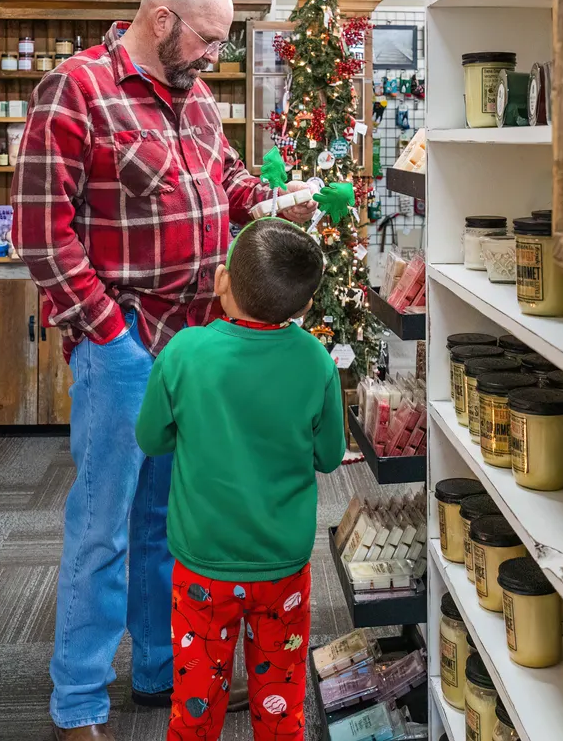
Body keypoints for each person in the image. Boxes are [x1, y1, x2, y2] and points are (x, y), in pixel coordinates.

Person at [12, 0, 317, 741]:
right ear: (160, 20)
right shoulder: (76, 90)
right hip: (125, 341)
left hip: (193, 343)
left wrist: (280, 199)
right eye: (209, 38)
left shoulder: (198, 97)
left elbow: (228, 179)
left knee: (164, 519)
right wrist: (107, 332)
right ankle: (77, 699)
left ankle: (158, 670)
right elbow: (41, 232)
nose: (217, 53)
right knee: (102, 524)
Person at [135, 217, 345, 741]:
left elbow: (151, 438)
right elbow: (329, 455)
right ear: (303, 308)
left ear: (222, 279)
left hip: (202, 565)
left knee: (196, 704)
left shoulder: (183, 352)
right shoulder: (316, 362)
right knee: (281, 702)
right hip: (282, 568)